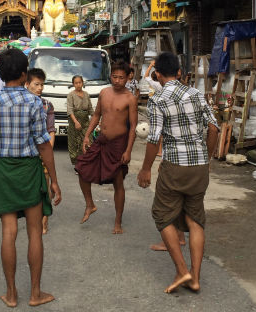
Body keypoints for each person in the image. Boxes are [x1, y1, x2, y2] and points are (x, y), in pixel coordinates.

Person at [0, 48, 62, 308]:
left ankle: (11, 294)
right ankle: (35, 293)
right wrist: (54, 180)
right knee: (35, 232)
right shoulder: (35, 102)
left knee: (8, 232)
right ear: (25, 75)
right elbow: (44, 145)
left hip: (3, 169)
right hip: (29, 170)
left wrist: (0, 140)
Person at [136, 52, 219, 294]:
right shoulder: (196, 94)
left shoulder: (158, 99)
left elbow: (154, 138)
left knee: (162, 215)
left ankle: (182, 270)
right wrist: (209, 157)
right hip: (199, 165)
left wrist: (145, 169)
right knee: (195, 219)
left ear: (157, 75)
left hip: (174, 165)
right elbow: (213, 128)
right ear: (180, 73)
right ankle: (195, 278)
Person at [76, 61, 138, 234]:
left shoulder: (130, 98)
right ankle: (90, 204)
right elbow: (96, 115)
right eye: (115, 77)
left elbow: (133, 126)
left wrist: (128, 150)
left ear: (128, 78)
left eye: (121, 78)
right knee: (82, 169)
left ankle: (118, 222)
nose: (117, 81)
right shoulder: (104, 92)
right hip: (101, 139)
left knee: (118, 182)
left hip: (119, 143)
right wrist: (87, 135)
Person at [26, 68, 56, 235]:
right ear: (27, 84)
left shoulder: (47, 105)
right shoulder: (22, 103)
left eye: (42, 85)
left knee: (46, 186)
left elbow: (51, 130)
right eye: (36, 84)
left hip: (43, 151)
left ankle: (45, 219)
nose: (40, 88)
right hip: (27, 153)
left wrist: (48, 151)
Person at [66, 75, 92, 169]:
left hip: (85, 121)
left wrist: (95, 120)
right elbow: (70, 110)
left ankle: (85, 163)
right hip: (74, 121)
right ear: (73, 84)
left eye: (79, 82)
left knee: (87, 141)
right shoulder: (71, 95)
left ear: (82, 83)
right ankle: (77, 165)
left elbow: (90, 109)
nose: (78, 84)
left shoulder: (86, 94)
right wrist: (76, 122)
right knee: (74, 143)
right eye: (76, 83)